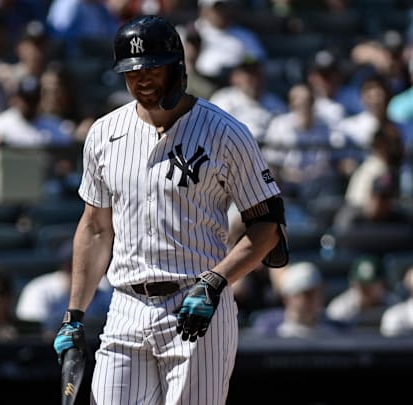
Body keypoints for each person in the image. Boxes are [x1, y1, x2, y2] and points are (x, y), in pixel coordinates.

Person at [52, 15, 289, 405]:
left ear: (177, 66)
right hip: (125, 305)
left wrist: (216, 282)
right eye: (131, 71)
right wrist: (74, 314)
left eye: (151, 68)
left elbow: (267, 228)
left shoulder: (225, 132)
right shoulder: (103, 133)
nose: (141, 78)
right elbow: (95, 228)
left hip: (196, 303)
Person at [325, 254, 399, 331]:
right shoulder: (339, 310)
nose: (365, 291)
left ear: (382, 285)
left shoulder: (393, 304)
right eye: (361, 286)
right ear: (352, 285)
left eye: (370, 286)